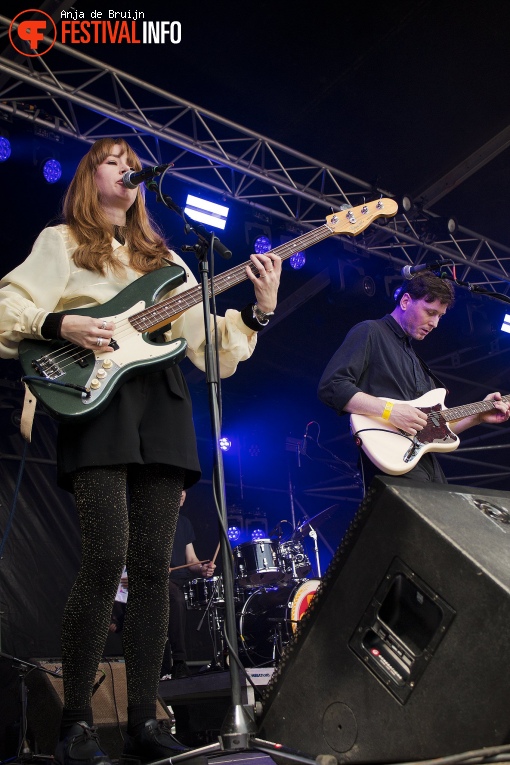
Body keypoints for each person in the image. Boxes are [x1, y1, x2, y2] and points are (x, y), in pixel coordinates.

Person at [0, 137, 281, 765]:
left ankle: (143, 725)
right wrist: (60, 323)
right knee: (106, 563)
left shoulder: (171, 261)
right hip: (97, 399)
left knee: (154, 574)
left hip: (163, 404)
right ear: (88, 176)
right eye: (111, 159)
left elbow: (208, 347)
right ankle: (74, 722)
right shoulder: (62, 242)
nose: (126, 168)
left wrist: (259, 313)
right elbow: (7, 306)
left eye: (132, 161)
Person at [318, 271, 509, 488]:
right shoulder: (371, 331)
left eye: (440, 316)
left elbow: (433, 429)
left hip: (425, 463)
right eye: (430, 312)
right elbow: (332, 386)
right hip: (390, 460)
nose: (435, 323)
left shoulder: (415, 360)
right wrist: (390, 411)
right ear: (406, 301)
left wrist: (478, 416)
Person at [160, 490, 216, 680]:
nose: (182, 494)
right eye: (178, 489)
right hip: (160, 580)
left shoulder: (183, 522)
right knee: (175, 597)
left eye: (184, 490)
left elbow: (191, 559)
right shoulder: (155, 519)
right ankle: (179, 661)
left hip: (182, 579)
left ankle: (218, 658)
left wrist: (202, 569)